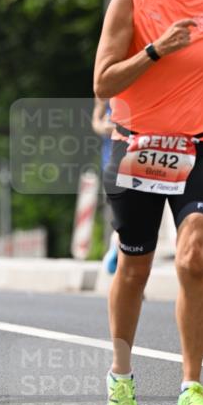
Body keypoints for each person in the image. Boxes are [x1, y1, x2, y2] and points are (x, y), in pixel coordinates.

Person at [93, 0, 203, 405]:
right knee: (134, 267)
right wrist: (156, 50)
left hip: (196, 148)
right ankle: (120, 378)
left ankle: (191, 385)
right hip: (136, 147)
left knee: (195, 255)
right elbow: (104, 82)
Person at [91, 98, 118, 274]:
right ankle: (113, 256)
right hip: (112, 164)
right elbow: (96, 121)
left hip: (141, 162)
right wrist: (106, 128)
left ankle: (116, 251)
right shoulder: (107, 85)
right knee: (115, 218)